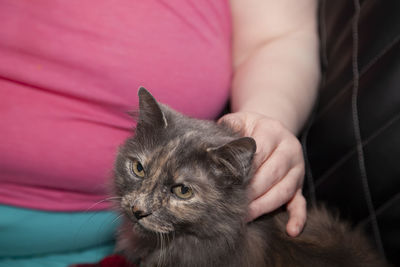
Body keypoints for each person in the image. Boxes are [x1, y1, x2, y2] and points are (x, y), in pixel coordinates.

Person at [0, 0, 319, 266]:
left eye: (180, 193)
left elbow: (278, 37)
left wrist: (267, 121)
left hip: (95, 250)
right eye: (138, 169)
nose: (139, 205)